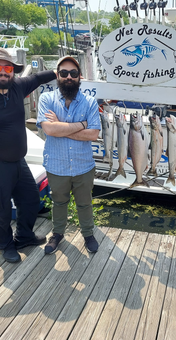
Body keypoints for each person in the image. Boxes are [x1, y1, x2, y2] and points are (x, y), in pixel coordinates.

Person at [0, 47, 57, 263]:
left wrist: (62, 71)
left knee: (30, 200)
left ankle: (24, 236)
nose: (3, 72)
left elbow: (37, 77)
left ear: (13, 71)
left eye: (7, 68)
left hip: (19, 161)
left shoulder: (17, 86)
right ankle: (5, 245)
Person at [37, 55, 101, 255]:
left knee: (85, 203)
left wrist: (61, 126)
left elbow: (93, 134)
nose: (69, 77)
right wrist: (81, 125)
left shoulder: (90, 102)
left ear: (80, 76)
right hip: (56, 165)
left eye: (73, 73)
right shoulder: (46, 99)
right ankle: (57, 234)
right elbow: (49, 130)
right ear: (57, 75)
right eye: (64, 73)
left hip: (83, 165)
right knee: (59, 202)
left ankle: (88, 233)